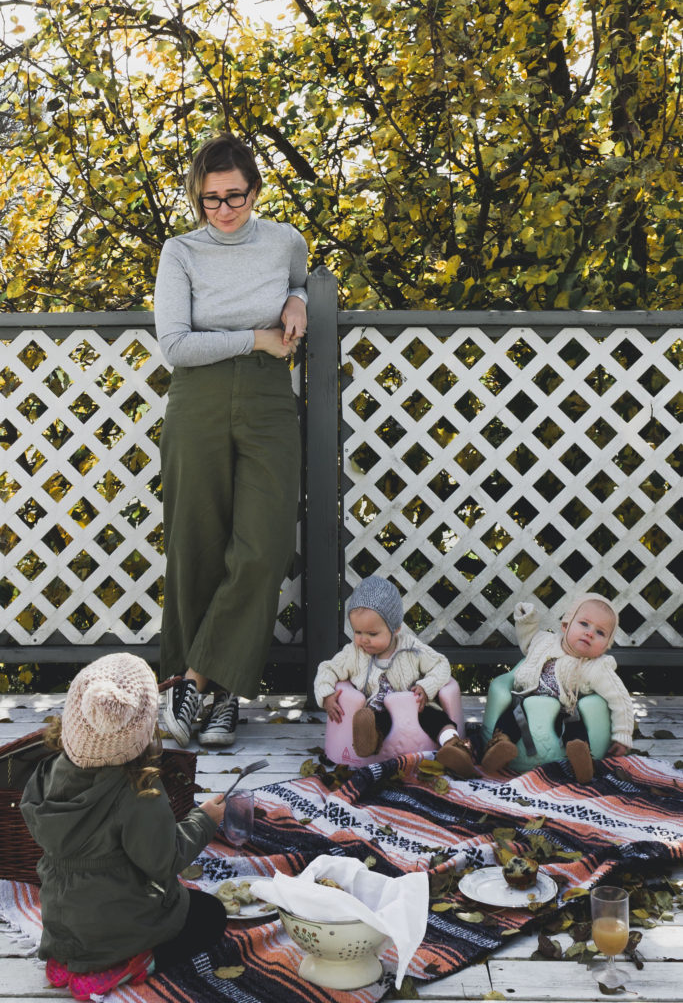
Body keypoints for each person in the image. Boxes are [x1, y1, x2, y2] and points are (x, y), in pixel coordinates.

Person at [154, 132, 308, 748]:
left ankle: (198, 680)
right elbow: (176, 346)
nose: (223, 210)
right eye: (210, 200)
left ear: (254, 190)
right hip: (199, 398)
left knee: (264, 548)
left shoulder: (284, 241)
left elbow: (296, 280)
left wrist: (296, 301)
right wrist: (255, 338)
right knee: (196, 546)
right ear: (197, 199)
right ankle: (219, 703)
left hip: (270, 400)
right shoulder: (180, 252)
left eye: (235, 196)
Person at [20, 653, 228, 1002]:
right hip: (118, 928)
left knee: (85, 905)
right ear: (144, 731)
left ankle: (65, 961)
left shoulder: (48, 771)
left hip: (60, 925)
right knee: (210, 914)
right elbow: (163, 860)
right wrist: (204, 820)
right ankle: (130, 963)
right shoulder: (138, 792)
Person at [314, 575, 475, 774]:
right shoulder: (352, 653)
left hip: (416, 707)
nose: (363, 640)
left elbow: (441, 664)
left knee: (437, 719)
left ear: (395, 628)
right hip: (377, 709)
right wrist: (327, 694)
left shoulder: (412, 648)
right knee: (374, 720)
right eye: (357, 632)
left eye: (372, 634)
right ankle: (367, 742)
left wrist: (427, 686)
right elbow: (327, 668)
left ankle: (453, 745)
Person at [481, 594, 633, 782]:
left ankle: (582, 758)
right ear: (565, 625)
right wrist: (526, 619)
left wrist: (622, 734)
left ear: (605, 647)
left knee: (576, 729)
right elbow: (527, 638)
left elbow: (619, 698)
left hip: (565, 712)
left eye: (600, 633)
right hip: (524, 703)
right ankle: (500, 747)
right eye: (584, 624)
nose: (590, 633)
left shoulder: (597, 667)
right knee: (510, 718)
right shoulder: (544, 641)